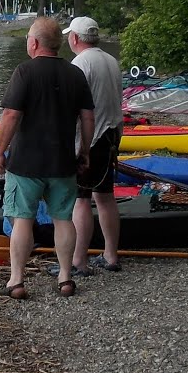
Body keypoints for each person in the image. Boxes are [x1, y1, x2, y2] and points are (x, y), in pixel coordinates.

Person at [0, 16, 94, 298]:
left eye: (27, 38)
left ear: (34, 43)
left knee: (22, 219)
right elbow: (88, 117)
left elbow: (11, 115)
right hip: (62, 161)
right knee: (64, 219)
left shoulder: (24, 72)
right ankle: (64, 278)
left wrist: (0, 152)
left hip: (26, 163)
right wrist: (84, 151)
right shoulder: (75, 74)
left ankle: (17, 280)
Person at [50, 16, 123, 277]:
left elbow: (72, 107)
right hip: (112, 135)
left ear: (75, 38)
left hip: (91, 140)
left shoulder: (80, 63)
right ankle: (111, 255)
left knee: (81, 200)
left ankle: (79, 261)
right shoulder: (111, 61)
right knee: (105, 197)